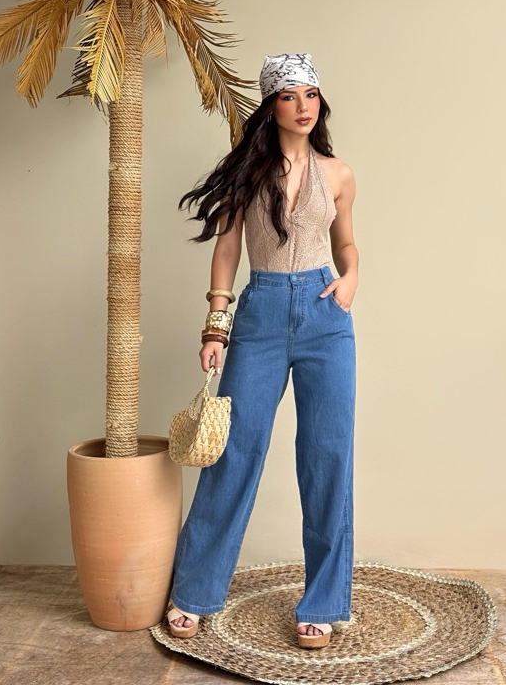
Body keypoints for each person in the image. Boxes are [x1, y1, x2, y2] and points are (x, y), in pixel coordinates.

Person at [166, 52, 358, 649]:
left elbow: (346, 244)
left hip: (326, 317)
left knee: (328, 456)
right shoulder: (247, 173)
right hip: (262, 311)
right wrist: (215, 326)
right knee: (234, 451)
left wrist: (350, 279)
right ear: (270, 106)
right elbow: (227, 250)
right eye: (288, 96)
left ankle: (323, 602)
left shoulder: (339, 174)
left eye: (310, 94)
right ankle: (194, 592)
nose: (302, 106)